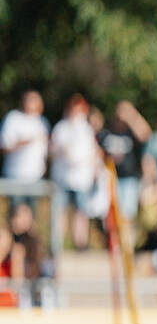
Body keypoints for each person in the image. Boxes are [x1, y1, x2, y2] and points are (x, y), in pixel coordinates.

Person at [48, 94, 101, 250]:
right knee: (60, 212)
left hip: (81, 179)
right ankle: (56, 245)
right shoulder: (61, 127)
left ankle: (81, 244)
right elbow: (52, 150)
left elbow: (93, 153)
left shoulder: (86, 129)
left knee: (81, 212)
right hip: (62, 178)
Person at [97, 100, 151, 221]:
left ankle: (126, 240)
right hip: (108, 179)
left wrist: (132, 116)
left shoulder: (131, 132)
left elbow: (146, 135)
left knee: (127, 217)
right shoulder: (107, 130)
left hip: (128, 180)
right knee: (109, 217)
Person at [1, 90, 50, 212]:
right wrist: (27, 141)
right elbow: (5, 146)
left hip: (35, 177)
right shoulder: (13, 118)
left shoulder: (42, 122)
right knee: (16, 216)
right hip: (15, 176)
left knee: (30, 217)